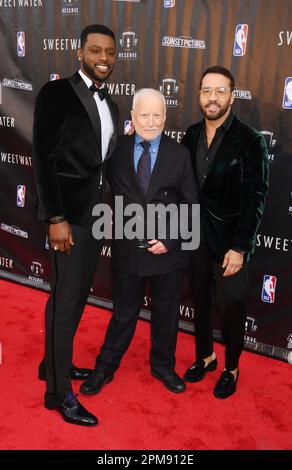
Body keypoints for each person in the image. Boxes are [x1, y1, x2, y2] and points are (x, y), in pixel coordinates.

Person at [80, 89, 198, 396]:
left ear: (165, 117)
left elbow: (191, 204)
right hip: (129, 250)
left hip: (168, 254)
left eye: (157, 115)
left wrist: (170, 240)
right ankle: (104, 367)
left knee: (166, 313)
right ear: (132, 118)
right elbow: (102, 192)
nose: (150, 121)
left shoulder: (179, 154)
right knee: (123, 312)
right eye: (143, 114)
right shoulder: (116, 151)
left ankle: (163, 366)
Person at [32, 24, 119, 426]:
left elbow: (103, 168)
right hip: (66, 218)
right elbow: (44, 159)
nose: (103, 58)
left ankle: (54, 363)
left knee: (79, 295)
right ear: (79, 53)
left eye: (110, 53)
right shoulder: (56, 94)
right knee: (64, 302)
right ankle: (58, 393)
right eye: (96, 51)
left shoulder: (112, 105)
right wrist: (56, 217)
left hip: (95, 218)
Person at [181, 66, 269, 399]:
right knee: (200, 298)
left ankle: (231, 367)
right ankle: (206, 357)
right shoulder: (190, 134)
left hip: (231, 239)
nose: (212, 97)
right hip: (195, 235)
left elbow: (255, 197)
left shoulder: (250, 140)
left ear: (232, 95)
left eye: (220, 91)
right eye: (206, 90)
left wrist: (240, 246)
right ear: (199, 95)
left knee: (231, 302)